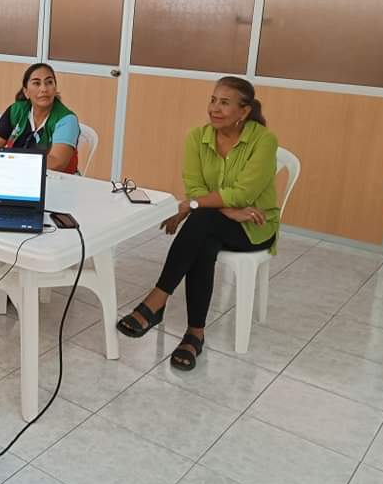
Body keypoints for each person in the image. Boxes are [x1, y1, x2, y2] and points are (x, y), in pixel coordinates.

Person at [116, 77, 279, 371]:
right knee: (205, 238)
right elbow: (195, 188)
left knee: (202, 221)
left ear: (244, 111)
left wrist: (192, 207)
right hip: (216, 221)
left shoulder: (264, 141)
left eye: (224, 103)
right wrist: (224, 209)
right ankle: (194, 334)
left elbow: (244, 194)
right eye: (213, 100)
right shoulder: (197, 137)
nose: (214, 108)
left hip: (254, 227)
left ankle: (157, 301)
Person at [0, 62, 82, 305]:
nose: (44, 89)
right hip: (18, 184)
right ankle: (1, 271)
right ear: (26, 90)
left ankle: (8, 277)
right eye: (36, 83)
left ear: (55, 88)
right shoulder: (17, 110)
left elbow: (57, 162)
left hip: (57, 190)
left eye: (49, 82)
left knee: (11, 213)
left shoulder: (66, 119)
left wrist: (8, 163)